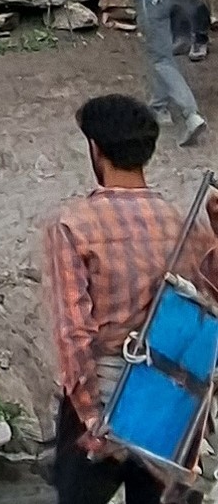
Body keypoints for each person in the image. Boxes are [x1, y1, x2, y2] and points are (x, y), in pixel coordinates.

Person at [43, 94, 218, 504]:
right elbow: (209, 305)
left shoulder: (71, 225)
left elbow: (73, 332)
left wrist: (92, 418)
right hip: (170, 402)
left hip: (104, 396)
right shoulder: (182, 222)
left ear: (95, 149)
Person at [100, 0, 208, 147]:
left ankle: (191, 115)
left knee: (161, 58)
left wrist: (104, 5)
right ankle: (159, 107)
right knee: (161, 52)